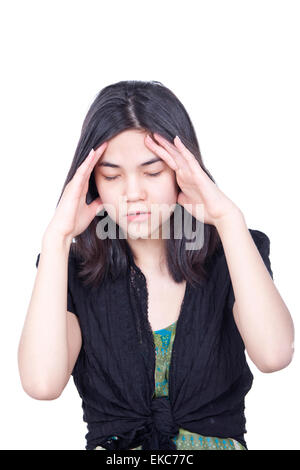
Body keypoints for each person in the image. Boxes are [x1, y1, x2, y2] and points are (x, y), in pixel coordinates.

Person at [18, 80, 294, 451]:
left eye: (152, 172)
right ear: (92, 182)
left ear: (185, 170)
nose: (134, 193)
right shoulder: (68, 270)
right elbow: (41, 383)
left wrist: (228, 219)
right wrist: (55, 241)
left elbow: (275, 354)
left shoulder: (234, 250)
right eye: (112, 176)